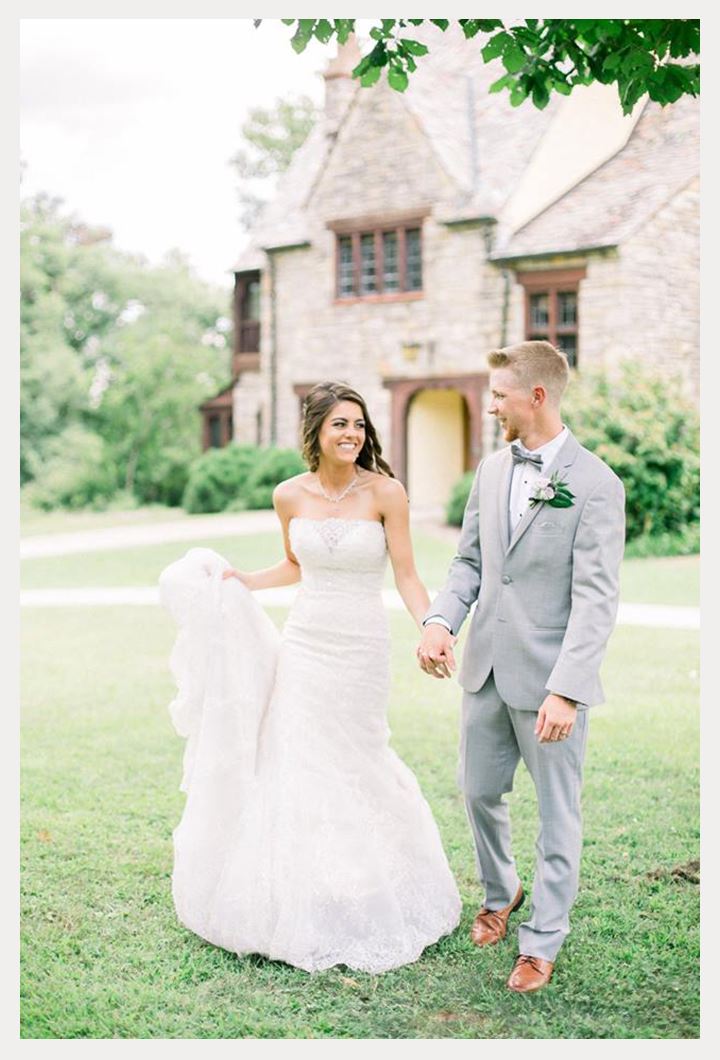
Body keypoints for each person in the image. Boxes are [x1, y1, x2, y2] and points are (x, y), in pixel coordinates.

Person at [159, 381, 461, 975]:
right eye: (339, 424)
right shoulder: (288, 495)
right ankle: (302, 894)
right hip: (305, 644)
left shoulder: (386, 492)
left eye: (359, 424)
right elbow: (296, 565)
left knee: (359, 758)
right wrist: (244, 581)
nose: (352, 434)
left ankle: (370, 886)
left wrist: (432, 625)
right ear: (316, 431)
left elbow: (406, 574)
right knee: (298, 760)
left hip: (362, 647)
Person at [416, 340, 625, 994]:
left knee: (558, 813)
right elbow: (470, 563)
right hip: (484, 669)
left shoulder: (597, 484)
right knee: (478, 790)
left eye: (500, 395)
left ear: (537, 396)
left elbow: (596, 598)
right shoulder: (490, 471)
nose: (492, 405)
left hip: (550, 682)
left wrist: (568, 689)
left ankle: (542, 940)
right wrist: (440, 621)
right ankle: (500, 890)